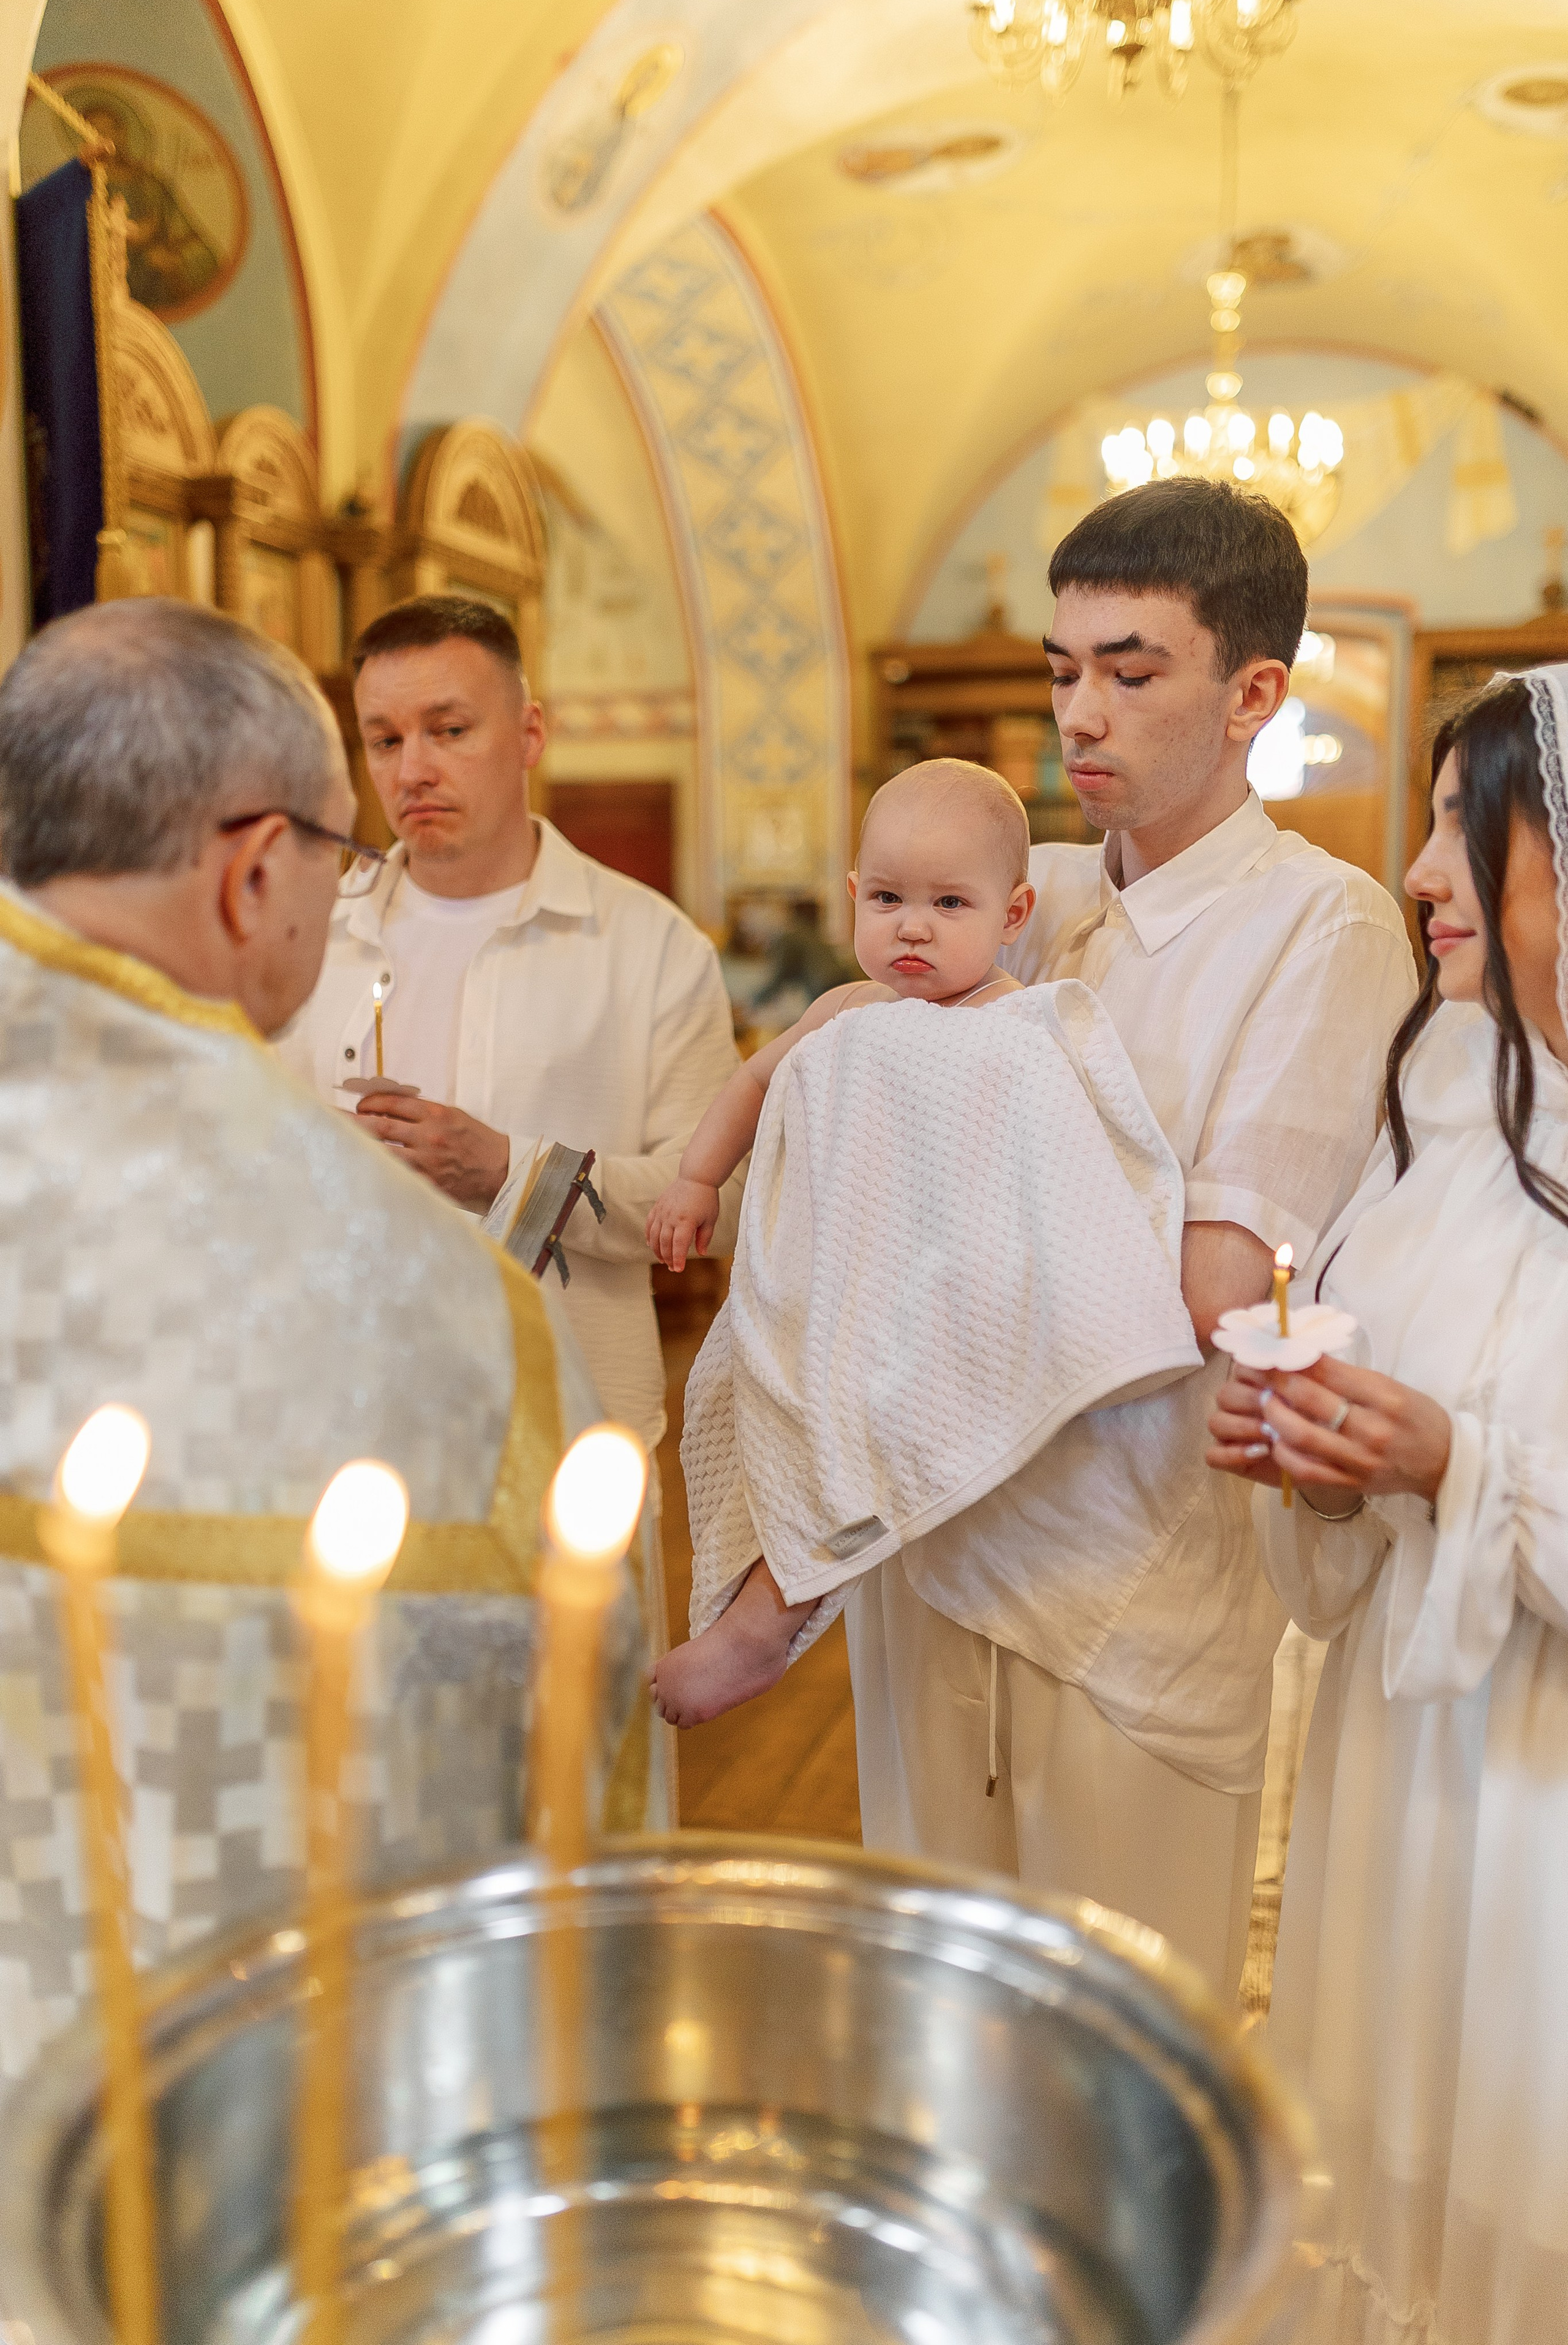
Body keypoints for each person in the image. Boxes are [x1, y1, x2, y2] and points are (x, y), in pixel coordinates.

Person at [0, 599, 654, 2079]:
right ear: (249, 874)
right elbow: (527, 1756)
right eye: (329, 851)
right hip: (221, 2114)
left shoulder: (639, 944)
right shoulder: (415, 1298)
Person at [842, 478, 1417, 1996]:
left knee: (1109, 2044)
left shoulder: (1323, 928)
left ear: (1253, 694)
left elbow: (1206, 1291)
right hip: (928, 1535)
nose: (1077, 714)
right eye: (1059, 669)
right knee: (928, 2028)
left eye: (1129, 669)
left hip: (1129, 1585)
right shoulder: (1011, 904)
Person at [1208, 670, 1568, 2342]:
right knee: (1393, 2201)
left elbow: (1470, 1453)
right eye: (1424, 821)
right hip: (1398, 1772)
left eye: (1462, 829)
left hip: (1542, 1803)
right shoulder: (1435, 1120)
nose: (1418, 872)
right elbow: (1354, 1539)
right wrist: (1320, 1454)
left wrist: (1454, 1463)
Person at [277, 593, 742, 1464]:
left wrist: (511, 1172)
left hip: (565, 1435)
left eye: (449, 730)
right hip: (347, 1423)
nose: (412, 769)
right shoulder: (309, 937)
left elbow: (720, 1206)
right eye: (385, 739)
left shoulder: (649, 947)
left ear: (530, 732)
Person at [646, 758, 1038, 1720]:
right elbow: (748, 1086)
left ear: (1014, 914)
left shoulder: (1014, 1030)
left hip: (930, 1305)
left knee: (854, 1448)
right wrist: (697, 1180)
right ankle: (744, 1594)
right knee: (761, 1425)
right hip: (819, 1288)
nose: (915, 925)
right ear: (854, 896)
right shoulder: (843, 1012)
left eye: (952, 902)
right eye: (892, 898)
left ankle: (761, 1628)